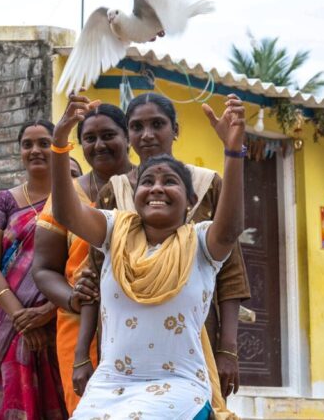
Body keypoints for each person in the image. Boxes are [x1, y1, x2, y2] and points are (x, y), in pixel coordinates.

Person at [48, 92, 246, 419]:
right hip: (112, 386)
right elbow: (68, 215)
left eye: (169, 182)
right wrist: (59, 140)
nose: (156, 188)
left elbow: (230, 232)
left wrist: (234, 152)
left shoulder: (201, 241)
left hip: (179, 383)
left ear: (190, 199)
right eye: (147, 182)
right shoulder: (115, 229)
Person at [102, 92, 251, 412]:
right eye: (137, 127)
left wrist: (228, 348)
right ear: (128, 135)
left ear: (176, 130)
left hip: (195, 334)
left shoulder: (207, 184)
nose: (147, 135)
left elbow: (231, 270)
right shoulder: (113, 191)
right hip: (123, 342)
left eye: (157, 124)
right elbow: (95, 270)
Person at [31, 105, 133, 413]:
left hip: (140, 319)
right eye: (89, 138)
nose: (98, 145)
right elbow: (44, 269)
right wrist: (75, 299)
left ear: (127, 138)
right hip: (79, 328)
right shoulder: (67, 196)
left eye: (108, 135)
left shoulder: (149, 186)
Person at [0, 120, 67, 420]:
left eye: (44, 142)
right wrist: (21, 317)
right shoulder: (3, 201)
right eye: (27, 144)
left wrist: (47, 313)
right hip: (9, 323)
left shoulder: (74, 196)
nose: (35, 150)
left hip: (63, 317)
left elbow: (85, 262)